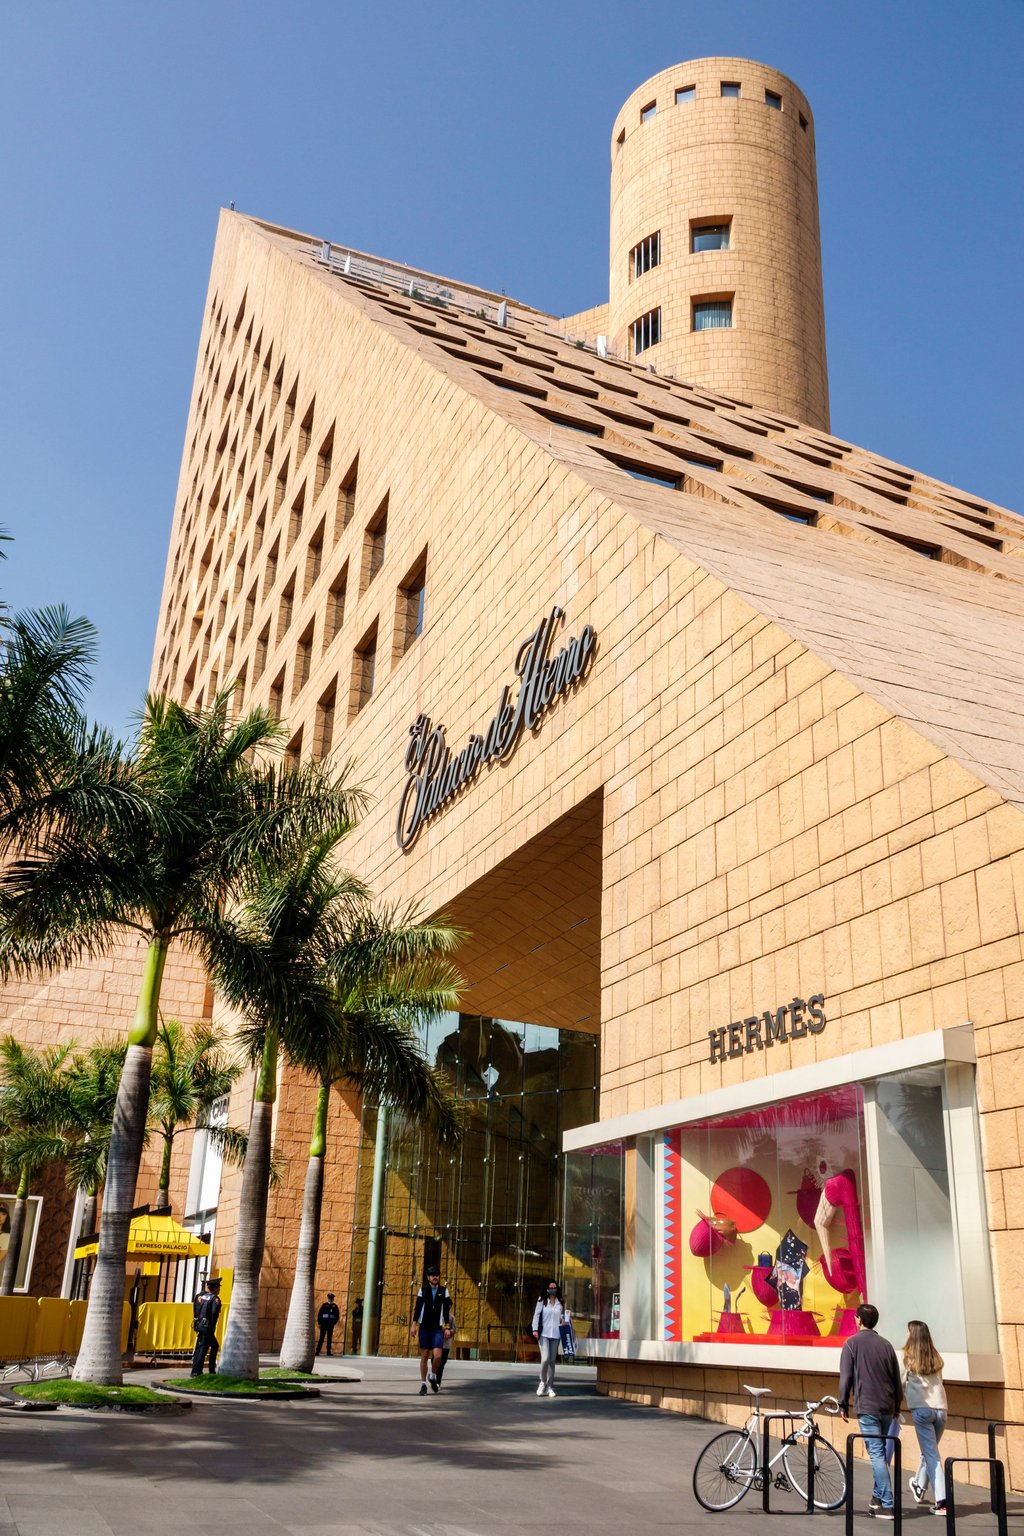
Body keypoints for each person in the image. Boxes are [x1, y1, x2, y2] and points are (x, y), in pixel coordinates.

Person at [838, 1302, 902, 1519]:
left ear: (858, 1320)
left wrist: (842, 1403)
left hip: (867, 1406)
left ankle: (887, 1503)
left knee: (876, 1454)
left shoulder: (851, 1344)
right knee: (881, 1452)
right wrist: (897, 1406)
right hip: (887, 1405)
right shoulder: (886, 1345)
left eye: (856, 1317)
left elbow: (845, 1377)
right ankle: (876, 1498)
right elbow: (896, 1378)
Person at [901, 1319, 947, 1516]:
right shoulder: (935, 1357)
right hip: (941, 1409)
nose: (905, 1335)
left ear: (912, 1335)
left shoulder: (906, 1357)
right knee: (930, 1451)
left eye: (907, 1332)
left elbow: (900, 1383)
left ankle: (942, 1502)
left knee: (932, 1456)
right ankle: (919, 1485)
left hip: (921, 1410)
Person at [410, 1264, 452, 1395]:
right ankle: (423, 1384)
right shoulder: (423, 1290)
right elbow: (417, 1309)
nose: (435, 1277)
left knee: (438, 1356)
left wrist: (447, 1327)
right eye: (433, 1275)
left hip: (437, 1328)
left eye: (437, 1275)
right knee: (424, 1356)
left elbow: (446, 1310)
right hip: (424, 1328)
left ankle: (432, 1375)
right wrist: (413, 1325)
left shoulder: (444, 1291)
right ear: (428, 1277)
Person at [531, 1280, 569, 1399]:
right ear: (547, 1289)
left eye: (555, 1287)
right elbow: (536, 1315)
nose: (553, 1289)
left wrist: (564, 1320)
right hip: (544, 1334)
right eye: (551, 1287)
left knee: (552, 1361)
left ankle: (550, 1386)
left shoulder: (560, 1302)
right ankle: (542, 1382)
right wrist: (535, 1329)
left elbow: (563, 1317)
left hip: (556, 1334)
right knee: (545, 1359)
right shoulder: (542, 1300)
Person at [191, 1275, 222, 1376]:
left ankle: (208, 1370)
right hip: (207, 1327)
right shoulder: (215, 1299)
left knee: (209, 1347)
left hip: (201, 1325)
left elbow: (197, 1311)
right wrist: (212, 1326)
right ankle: (197, 1372)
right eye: (219, 1287)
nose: (219, 1289)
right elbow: (213, 1314)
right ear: (215, 1288)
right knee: (203, 1349)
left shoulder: (203, 1297)